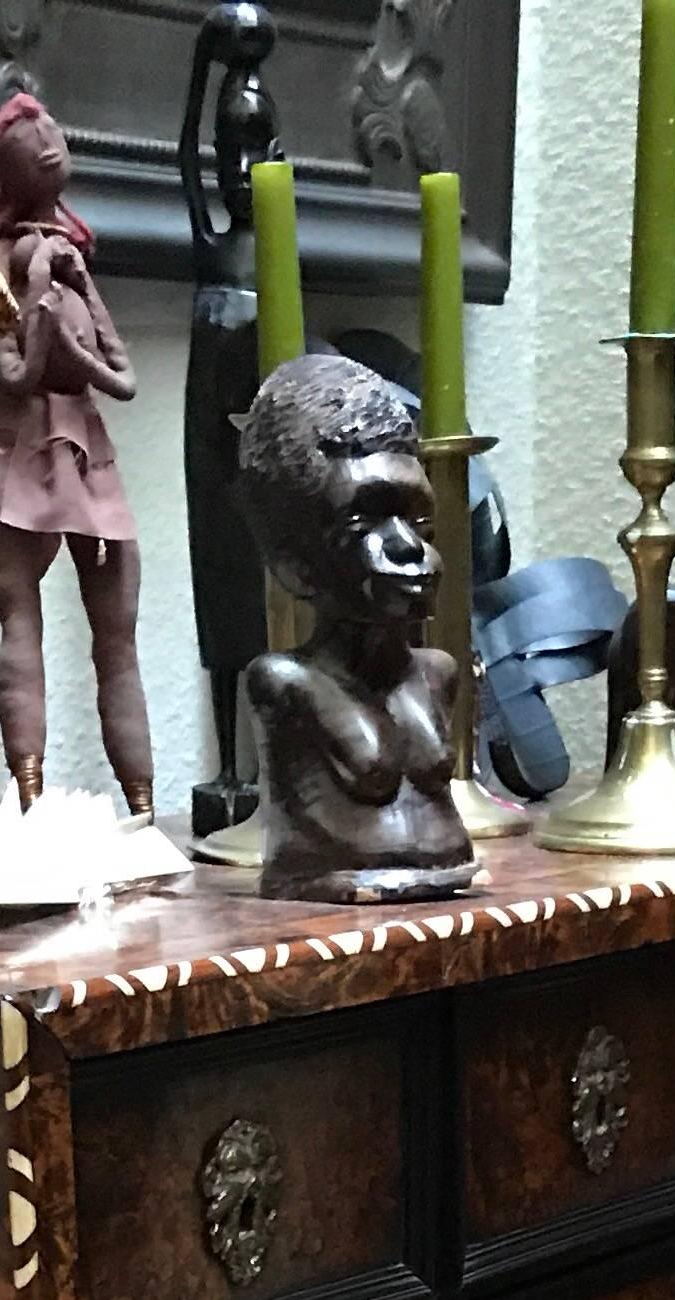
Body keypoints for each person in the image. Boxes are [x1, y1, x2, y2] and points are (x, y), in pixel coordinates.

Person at [0, 88, 152, 812]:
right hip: (15, 444)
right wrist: (37, 293)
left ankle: (143, 809)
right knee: (19, 617)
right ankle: (30, 804)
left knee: (117, 637)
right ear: (7, 168)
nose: (48, 144)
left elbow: (117, 373)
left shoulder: (73, 257)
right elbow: (14, 371)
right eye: (28, 138)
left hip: (83, 444)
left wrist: (73, 324)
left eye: (52, 130)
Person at [237, 352, 470, 898]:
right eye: (364, 520)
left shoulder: (439, 673)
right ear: (296, 563)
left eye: (418, 521)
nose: (409, 549)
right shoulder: (283, 684)